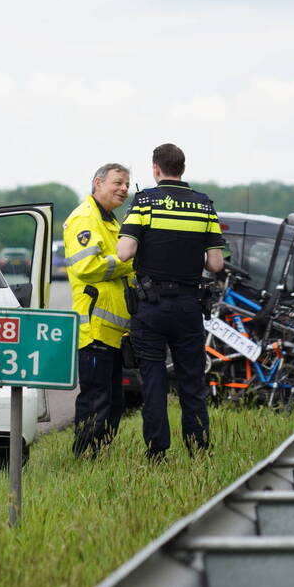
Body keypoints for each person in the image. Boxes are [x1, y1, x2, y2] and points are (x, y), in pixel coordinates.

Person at [117, 144, 224, 461]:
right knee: (192, 380)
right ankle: (199, 448)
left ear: (156, 168)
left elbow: (125, 252)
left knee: (153, 381)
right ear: (182, 169)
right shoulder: (205, 206)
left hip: (151, 307)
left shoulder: (146, 201)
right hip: (189, 306)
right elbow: (216, 263)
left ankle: (157, 451)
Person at [63, 163, 135, 458]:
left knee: (114, 402)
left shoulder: (112, 222)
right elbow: (87, 267)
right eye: (118, 182)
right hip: (94, 330)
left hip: (114, 332)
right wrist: (129, 264)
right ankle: (84, 458)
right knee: (96, 400)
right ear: (98, 183)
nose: (124, 189)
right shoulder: (84, 218)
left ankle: (101, 456)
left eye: (126, 184)